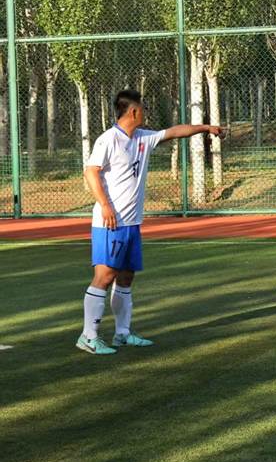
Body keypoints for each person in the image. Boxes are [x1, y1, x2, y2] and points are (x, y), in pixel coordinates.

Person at [76, 89, 225, 355]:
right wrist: (106, 206)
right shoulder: (108, 139)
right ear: (133, 111)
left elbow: (175, 132)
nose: (145, 112)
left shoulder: (143, 137)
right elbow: (91, 172)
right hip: (110, 222)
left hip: (131, 222)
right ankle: (88, 336)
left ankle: (122, 333)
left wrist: (205, 128)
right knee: (105, 275)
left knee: (126, 276)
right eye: (142, 108)